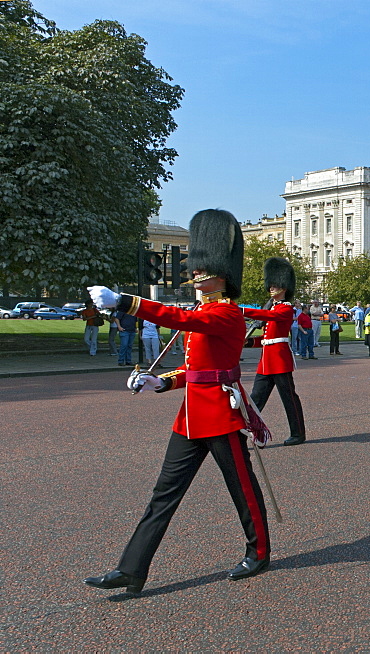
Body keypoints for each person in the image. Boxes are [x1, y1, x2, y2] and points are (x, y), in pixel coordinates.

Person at [84, 209, 271, 596]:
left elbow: (174, 319)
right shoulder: (205, 311)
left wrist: (125, 301)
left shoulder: (226, 314)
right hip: (190, 418)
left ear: (223, 274)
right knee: (163, 495)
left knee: (243, 489)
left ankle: (260, 551)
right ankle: (131, 570)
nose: (197, 274)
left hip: (221, 414)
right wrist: (161, 382)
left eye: (204, 269)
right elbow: (196, 369)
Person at [244, 257, 307, 446]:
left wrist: (240, 310)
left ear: (284, 287)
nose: (271, 288)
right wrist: (247, 342)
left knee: (289, 398)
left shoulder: (285, 309)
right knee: (255, 400)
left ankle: (298, 433)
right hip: (266, 361)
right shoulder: (273, 307)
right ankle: (247, 432)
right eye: (270, 285)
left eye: (275, 285)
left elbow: (268, 317)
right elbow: (266, 339)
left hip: (279, 360)